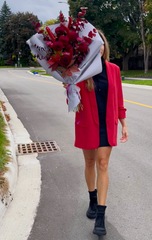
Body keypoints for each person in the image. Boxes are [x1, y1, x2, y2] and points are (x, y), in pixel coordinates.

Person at [63, 30, 128, 236]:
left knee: (103, 163)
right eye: (93, 44)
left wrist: (123, 124)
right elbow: (73, 104)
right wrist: (69, 88)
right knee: (90, 163)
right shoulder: (79, 72)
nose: (98, 47)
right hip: (87, 125)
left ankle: (100, 214)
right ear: (86, 49)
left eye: (100, 43)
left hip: (106, 125)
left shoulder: (114, 69)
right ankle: (92, 198)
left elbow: (119, 100)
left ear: (104, 46)